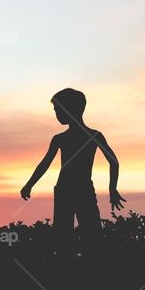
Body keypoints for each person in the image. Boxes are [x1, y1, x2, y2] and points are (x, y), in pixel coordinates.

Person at [20, 88, 125, 259]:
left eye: (59, 110)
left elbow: (113, 161)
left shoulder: (91, 136)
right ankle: (69, 270)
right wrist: (29, 185)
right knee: (66, 234)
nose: (57, 114)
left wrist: (113, 189)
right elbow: (45, 164)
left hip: (78, 189)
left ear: (72, 109)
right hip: (68, 189)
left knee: (88, 233)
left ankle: (89, 271)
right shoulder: (68, 138)